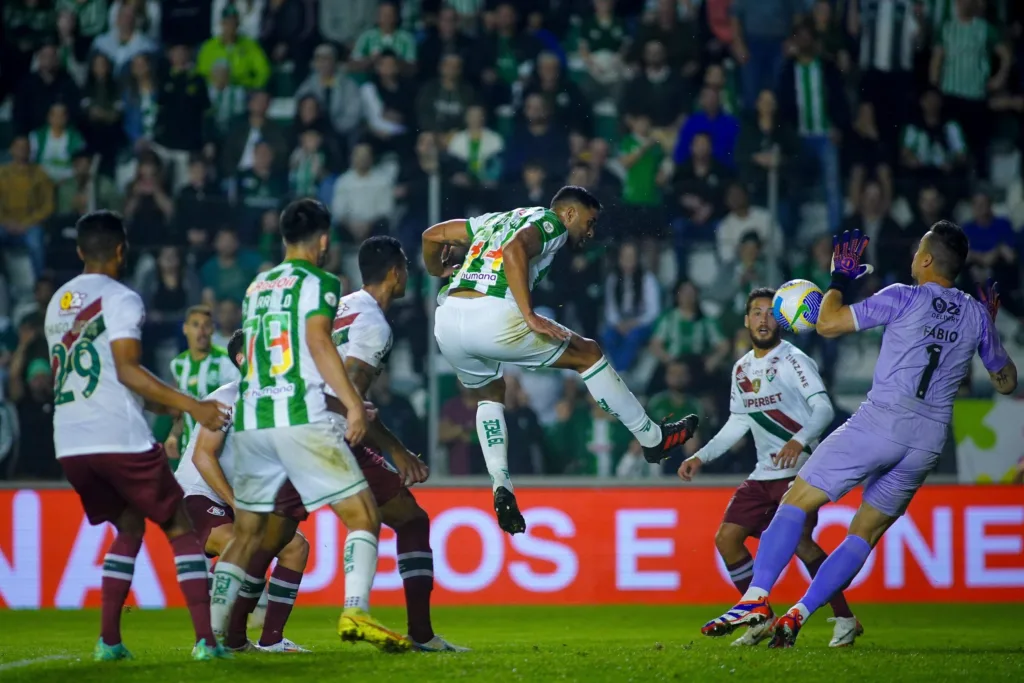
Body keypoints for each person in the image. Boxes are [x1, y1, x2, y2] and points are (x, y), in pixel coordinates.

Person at [701, 224, 1017, 647]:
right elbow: (1006, 382)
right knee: (863, 534)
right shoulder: (976, 315)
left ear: (926, 260)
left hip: (880, 423)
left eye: (917, 247)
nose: (912, 254)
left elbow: (828, 324)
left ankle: (757, 598)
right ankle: (801, 611)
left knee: (796, 501)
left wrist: (839, 279)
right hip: (928, 441)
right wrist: (989, 330)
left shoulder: (902, 295)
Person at [423, 186, 699, 534]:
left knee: (491, 392)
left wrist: (437, 270)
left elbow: (431, 236)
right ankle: (651, 438)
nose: (591, 231)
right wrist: (529, 314)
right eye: (590, 221)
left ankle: (500, 483)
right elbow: (514, 250)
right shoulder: (550, 222)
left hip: (448, 322)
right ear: (570, 213)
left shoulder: (492, 220)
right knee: (589, 354)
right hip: (493, 317)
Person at [208, 198, 408, 652]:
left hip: (255, 421)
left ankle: (211, 637)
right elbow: (319, 342)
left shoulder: (257, 286)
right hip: (299, 415)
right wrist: (353, 404)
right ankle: (356, 612)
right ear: (322, 241)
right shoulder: (321, 282)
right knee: (364, 516)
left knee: (248, 536)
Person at [43, 210, 230, 660]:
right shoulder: (122, 298)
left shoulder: (57, 303)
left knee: (127, 526)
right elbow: (127, 370)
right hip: (118, 437)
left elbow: (111, 375)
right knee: (178, 525)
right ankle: (207, 641)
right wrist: (193, 406)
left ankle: (109, 641)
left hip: (70, 443)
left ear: (79, 250)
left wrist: (167, 406)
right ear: (122, 250)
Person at [679, 288, 860, 648]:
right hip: (763, 475)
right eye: (756, 313)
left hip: (798, 473)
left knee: (804, 546)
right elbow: (738, 422)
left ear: (782, 319)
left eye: (769, 312)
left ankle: (845, 619)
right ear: (746, 321)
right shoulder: (742, 368)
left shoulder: (795, 360)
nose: (763, 319)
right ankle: (760, 617)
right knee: (726, 539)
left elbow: (823, 408)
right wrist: (702, 455)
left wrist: (798, 440)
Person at [323, 235, 467, 652]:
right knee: (410, 521)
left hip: (292, 423)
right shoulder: (373, 324)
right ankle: (416, 632)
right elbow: (352, 400)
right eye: (405, 265)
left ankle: (230, 635)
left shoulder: (342, 306)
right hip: (332, 433)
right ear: (395, 273)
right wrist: (397, 450)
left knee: (273, 532)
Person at [175, 330, 310, 653]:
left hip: (234, 499)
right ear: (243, 359)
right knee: (243, 545)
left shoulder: (274, 403)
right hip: (198, 495)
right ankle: (213, 637)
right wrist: (237, 504)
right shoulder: (226, 398)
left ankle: (271, 639)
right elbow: (202, 456)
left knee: (295, 548)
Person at [166, 306, 241, 467]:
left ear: (213, 329)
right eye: (195, 325)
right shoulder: (178, 364)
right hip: (188, 451)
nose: (201, 331)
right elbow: (182, 409)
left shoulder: (226, 361)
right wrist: (173, 435)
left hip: (220, 453)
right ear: (185, 329)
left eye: (206, 325)